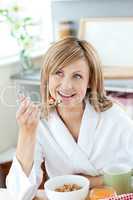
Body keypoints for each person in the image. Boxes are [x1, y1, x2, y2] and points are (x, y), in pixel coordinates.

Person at [6, 37, 133, 200]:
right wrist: (27, 132)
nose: (66, 85)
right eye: (58, 73)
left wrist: (93, 182)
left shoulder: (113, 116)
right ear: (47, 77)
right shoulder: (40, 123)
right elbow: (19, 194)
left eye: (77, 76)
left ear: (90, 80)